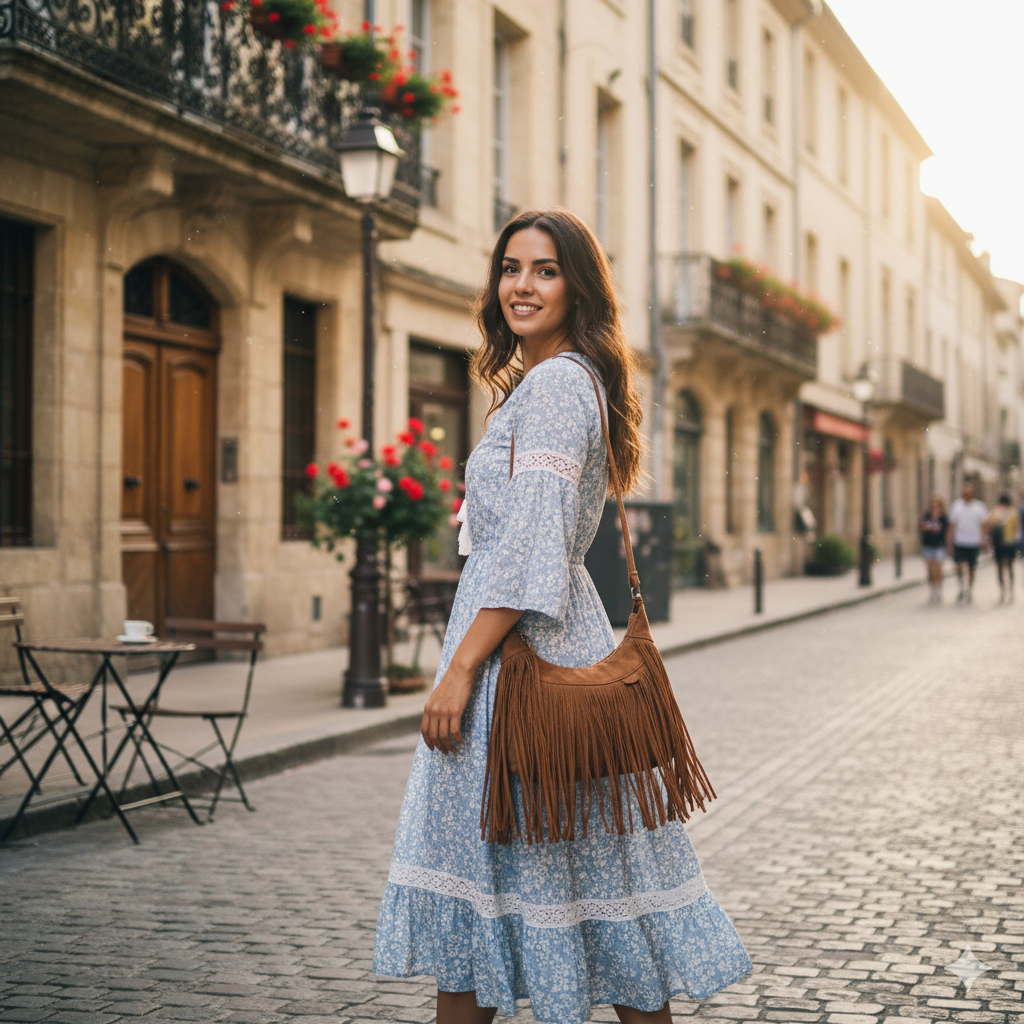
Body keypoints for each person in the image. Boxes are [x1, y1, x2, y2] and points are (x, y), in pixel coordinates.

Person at [373, 210, 751, 1024]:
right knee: (575, 885)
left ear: (577, 285)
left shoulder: (554, 386)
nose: (521, 285)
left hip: (521, 662)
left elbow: (534, 543)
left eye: (544, 270)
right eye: (511, 267)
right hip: (536, 645)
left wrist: (463, 667)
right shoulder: (553, 383)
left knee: (538, 882)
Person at [946, 481, 988, 603]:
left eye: (968, 492)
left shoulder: (979, 507)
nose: (966, 495)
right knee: (959, 566)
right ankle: (961, 587)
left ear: (973, 494)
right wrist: (949, 541)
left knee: (972, 568)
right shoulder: (957, 506)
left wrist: (983, 539)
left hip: (973, 542)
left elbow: (984, 524)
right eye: (964, 492)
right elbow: (952, 525)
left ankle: (969, 589)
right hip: (960, 541)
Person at [988, 494, 1020, 602]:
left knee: (1003, 567)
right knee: (1007, 567)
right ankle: (1007, 590)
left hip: (1004, 543)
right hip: (1008, 542)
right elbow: (1017, 526)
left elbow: (991, 525)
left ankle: (1006, 590)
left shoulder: (997, 511)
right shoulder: (1012, 511)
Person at [919, 495, 948, 604]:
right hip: (928, 545)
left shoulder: (943, 517)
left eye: (937, 505)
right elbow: (922, 527)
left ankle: (939, 589)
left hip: (940, 545)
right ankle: (932, 590)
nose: (935, 507)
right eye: (933, 505)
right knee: (930, 569)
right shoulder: (927, 516)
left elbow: (946, 530)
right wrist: (925, 527)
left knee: (938, 569)